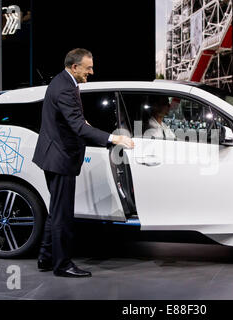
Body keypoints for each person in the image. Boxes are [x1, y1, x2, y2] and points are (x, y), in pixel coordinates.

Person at [32, 48, 134, 278]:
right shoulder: (65, 88)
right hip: (60, 158)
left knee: (56, 210)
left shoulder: (63, 83)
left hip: (56, 155)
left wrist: (84, 123)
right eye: (88, 68)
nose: (92, 71)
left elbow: (72, 119)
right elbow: (78, 126)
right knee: (62, 214)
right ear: (75, 66)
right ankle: (62, 265)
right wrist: (114, 138)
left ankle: (46, 257)